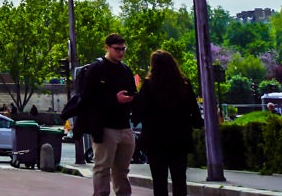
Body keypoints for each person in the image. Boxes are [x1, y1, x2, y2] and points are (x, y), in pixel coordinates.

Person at [71, 34, 139, 196]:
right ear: (107, 48)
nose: (121, 53)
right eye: (117, 49)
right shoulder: (97, 68)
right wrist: (114, 98)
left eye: (123, 49)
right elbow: (88, 97)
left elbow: (133, 91)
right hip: (104, 126)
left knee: (122, 169)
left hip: (124, 125)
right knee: (102, 167)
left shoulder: (125, 69)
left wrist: (132, 98)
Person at [133, 51, 202, 196]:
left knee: (159, 181)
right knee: (179, 179)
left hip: (155, 139)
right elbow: (195, 113)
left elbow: (139, 112)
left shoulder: (149, 85)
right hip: (179, 138)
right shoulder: (183, 84)